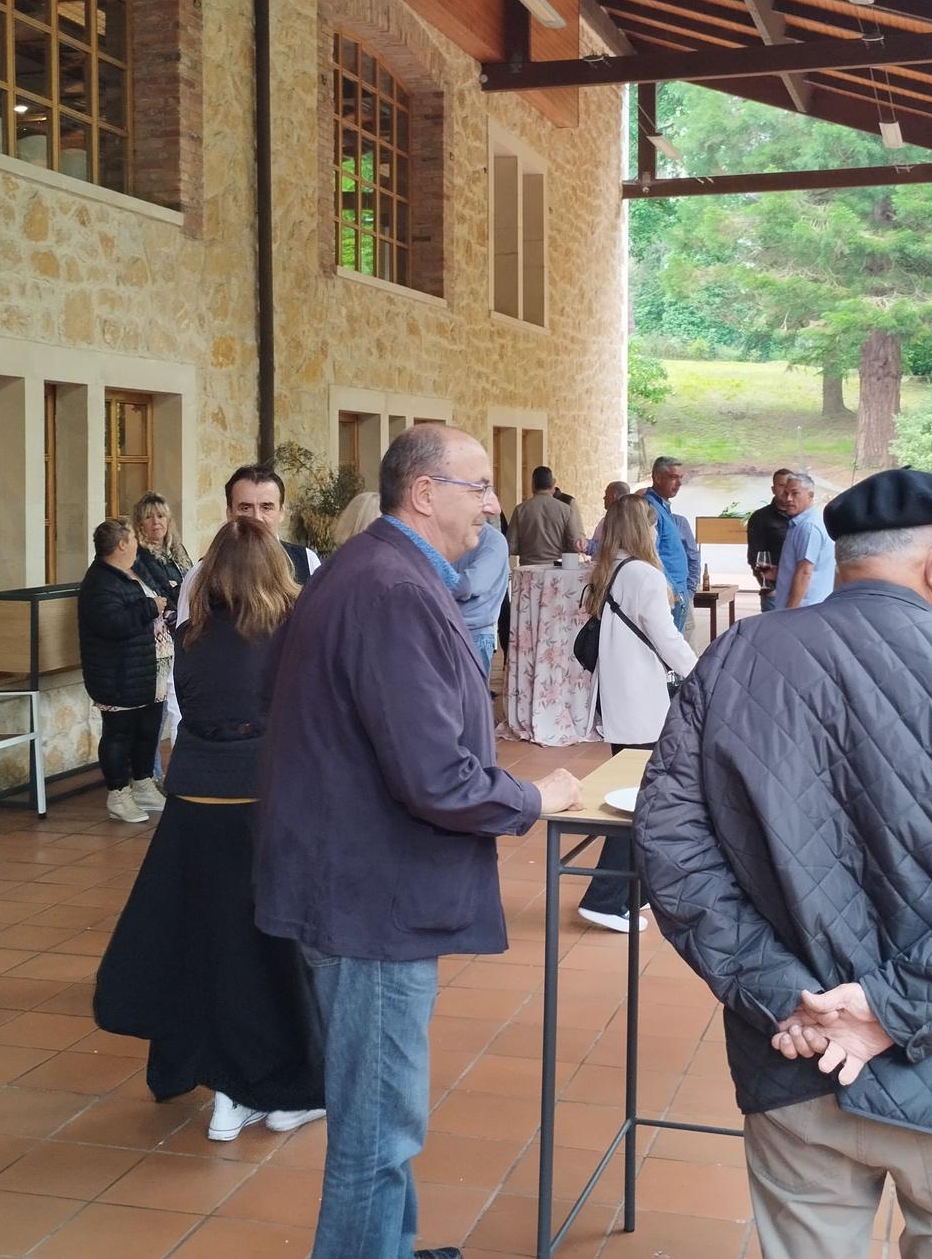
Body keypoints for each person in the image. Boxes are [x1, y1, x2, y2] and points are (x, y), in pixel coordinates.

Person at [637, 468, 932, 1259]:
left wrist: (787, 997)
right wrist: (888, 1010)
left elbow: (671, 852)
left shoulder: (735, 657)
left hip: (797, 1055)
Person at [256, 424, 582, 1259]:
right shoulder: (390, 588)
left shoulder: (378, 572)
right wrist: (531, 797)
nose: (492, 504)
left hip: (362, 886)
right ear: (425, 492)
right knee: (375, 1130)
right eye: (478, 487)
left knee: (383, 1118)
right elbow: (434, 774)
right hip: (370, 901)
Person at [92, 519, 324, 1141]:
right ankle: (269, 1086)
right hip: (259, 798)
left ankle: (218, 1082)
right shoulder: (288, 634)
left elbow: (190, 710)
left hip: (193, 803)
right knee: (269, 952)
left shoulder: (191, 633)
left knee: (203, 942)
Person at [577, 494, 697, 933]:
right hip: (643, 702)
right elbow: (667, 639)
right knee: (640, 801)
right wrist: (704, 676)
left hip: (619, 699)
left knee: (636, 794)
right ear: (640, 528)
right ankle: (605, 898)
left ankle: (633, 889)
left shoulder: (610, 569)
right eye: (651, 525)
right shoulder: (644, 575)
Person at [78, 519, 170, 824]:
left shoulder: (135, 569)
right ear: (121, 545)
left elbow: (164, 590)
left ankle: (143, 783)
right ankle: (118, 794)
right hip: (118, 673)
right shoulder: (100, 582)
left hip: (148, 669)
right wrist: (149, 607)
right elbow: (112, 624)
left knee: (147, 731)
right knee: (119, 734)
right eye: (133, 539)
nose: (138, 543)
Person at [175, 465, 321, 623]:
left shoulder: (307, 561)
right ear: (229, 513)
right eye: (245, 508)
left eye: (266, 507)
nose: (256, 518)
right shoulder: (201, 575)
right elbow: (187, 639)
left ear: (281, 512)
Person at [131, 490, 192, 792]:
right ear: (139, 523)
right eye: (149, 516)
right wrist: (173, 593)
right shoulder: (138, 557)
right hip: (156, 643)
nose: (156, 522)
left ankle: (177, 772)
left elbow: (190, 590)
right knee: (157, 709)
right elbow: (160, 597)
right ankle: (149, 775)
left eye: (161, 515)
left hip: (181, 638)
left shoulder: (177, 553)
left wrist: (176, 592)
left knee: (178, 707)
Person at [642, 456, 696, 632]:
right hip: (670, 594)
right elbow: (651, 554)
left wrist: (688, 589)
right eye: (674, 477)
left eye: (681, 478)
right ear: (657, 477)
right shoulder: (650, 508)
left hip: (677, 590)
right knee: (667, 653)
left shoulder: (662, 506)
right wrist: (673, 591)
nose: (679, 483)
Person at [453, 516, 509, 684]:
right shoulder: (448, 533)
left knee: (470, 704)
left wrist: (434, 586)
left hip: (474, 633)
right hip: (445, 628)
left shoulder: (493, 541)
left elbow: (470, 584)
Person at [772, 472, 834, 609]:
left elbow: (805, 572)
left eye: (795, 494)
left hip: (804, 610)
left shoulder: (808, 527)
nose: (788, 499)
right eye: (786, 493)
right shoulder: (800, 523)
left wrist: (790, 611)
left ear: (810, 496)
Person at [509, 465, 584, 566]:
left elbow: (511, 546)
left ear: (533, 485)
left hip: (528, 570)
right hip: (556, 570)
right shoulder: (565, 509)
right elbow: (575, 544)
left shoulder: (520, 510)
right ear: (552, 483)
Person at [746, 469, 797, 613]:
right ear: (773, 489)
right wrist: (768, 588)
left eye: (789, 485)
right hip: (775, 592)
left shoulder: (801, 516)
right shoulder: (761, 517)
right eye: (781, 485)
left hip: (802, 589)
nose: (786, 490)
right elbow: (755, 556)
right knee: (773, 634)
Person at [585, 479, 631, 557]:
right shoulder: (630, 518)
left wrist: (586, 545)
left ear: (613, 496)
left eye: (606, 494)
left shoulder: (618, 521)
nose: (604, 498)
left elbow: (607, 548)